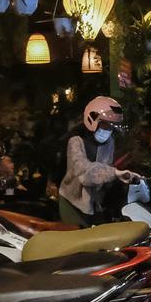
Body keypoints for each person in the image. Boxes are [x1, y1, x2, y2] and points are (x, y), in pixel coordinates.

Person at [58, 95, 141, 227]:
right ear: (92, 119)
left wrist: (123, 177)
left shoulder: (109, 143)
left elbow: (104, 170)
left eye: (111, 126)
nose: (108, 130)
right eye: (105, 124)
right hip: (73, 201)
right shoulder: (76, 141)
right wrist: (115, 173)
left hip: (95, 203)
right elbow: (84, 172)